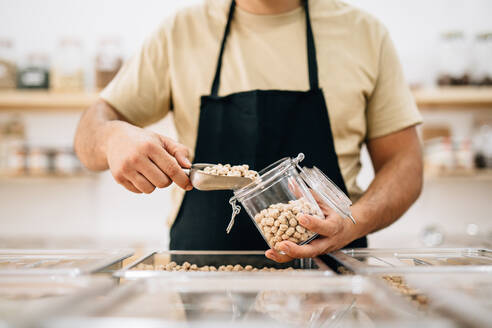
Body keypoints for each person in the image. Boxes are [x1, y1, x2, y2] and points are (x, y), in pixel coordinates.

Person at [74, 0, 423, 262]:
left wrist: (353, 221)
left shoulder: (363, 33)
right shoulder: (180, 32)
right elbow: (92, 129)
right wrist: (112, 137)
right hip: (204, 288)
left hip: (331, 288)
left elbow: (405, 163)